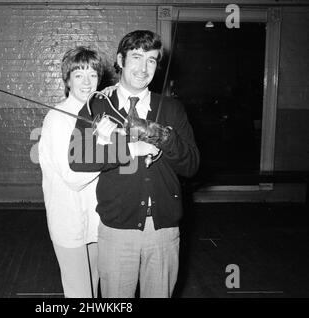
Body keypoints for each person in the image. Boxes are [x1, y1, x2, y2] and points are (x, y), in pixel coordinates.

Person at [69, 30, 200, 298]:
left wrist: (162, 136)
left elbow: (192, 166)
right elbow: (78, 159)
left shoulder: (172, 109)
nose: (143, 68)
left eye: (151, 60)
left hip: (163, 231)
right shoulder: (97, 106)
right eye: (137, 57)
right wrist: (128, 149)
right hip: (117, 230)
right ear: (120, 59)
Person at [39, 46, 106, 298]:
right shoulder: (56, 119)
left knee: (94, 288)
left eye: (92, 75)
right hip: (69, 222)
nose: (87, 82)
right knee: (80, 294)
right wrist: (117, 153)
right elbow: (73, 178)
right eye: (79, 75)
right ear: (67, 80)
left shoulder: (100, 116)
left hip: (97, 221)